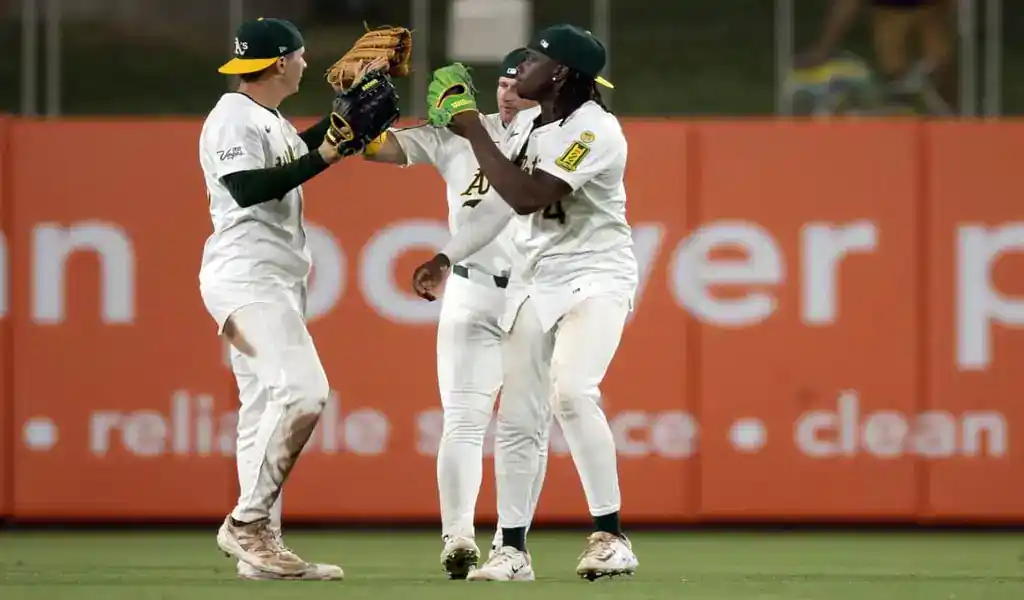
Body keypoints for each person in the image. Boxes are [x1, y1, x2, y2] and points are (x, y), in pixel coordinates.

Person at [412, 24, 640, 581]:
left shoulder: (596, 129)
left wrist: (471, 130)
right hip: (541, 279)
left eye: (536, 59)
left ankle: (612, 536)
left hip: (597, 276)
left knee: (572, 390)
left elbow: (529, 194)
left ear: (560, 74)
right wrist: (447, 255)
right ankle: (511, 551)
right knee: (517, 420)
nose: (524, 67)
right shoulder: (537, 125)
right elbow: (498, 205)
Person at [198, 17, 390, 581]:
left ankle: (261, 550)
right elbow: (248, 188)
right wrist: (328, 153)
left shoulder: (267, 118)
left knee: (261, 412)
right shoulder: (232, 114)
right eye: (301, 56)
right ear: (280, 62)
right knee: (306, 392)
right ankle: (248, 523)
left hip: (273, 279)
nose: (307, 64)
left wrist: (335, 134)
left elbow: (283, 163)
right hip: (245, 280)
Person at [364, 48, 548, 580]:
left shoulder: (553, 136)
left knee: (525, 428)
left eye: (521, 85)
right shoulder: (459, 130)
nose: (509, 93)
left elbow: (509, 202)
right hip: (472, 291)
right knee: (464, 422)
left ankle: (513, 546)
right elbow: (377, 148)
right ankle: (458, 538)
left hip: (533, 296)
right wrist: (360, 103)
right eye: (504, 83)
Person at [796, 0, 955, 112]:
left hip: (929, 13)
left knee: (939, 66)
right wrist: (822, 49)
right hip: (892, 15)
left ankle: (953, 116)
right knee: (897, 74)